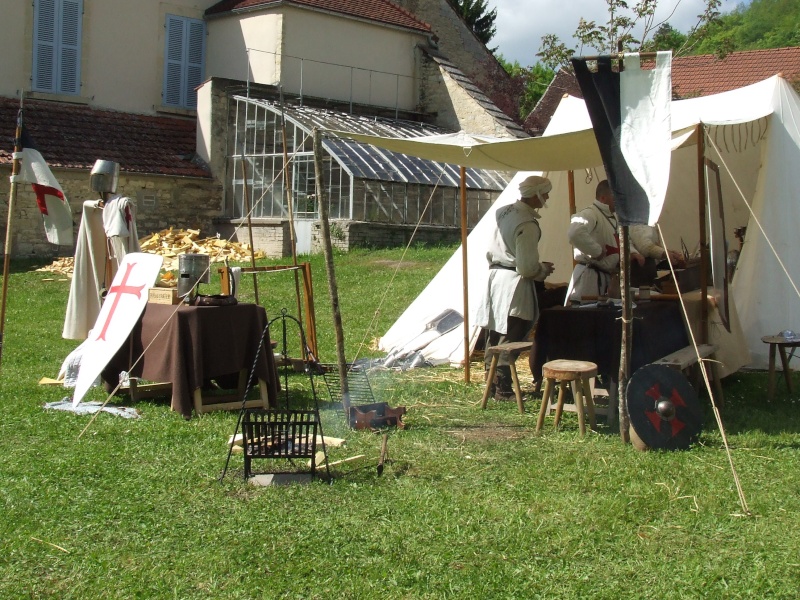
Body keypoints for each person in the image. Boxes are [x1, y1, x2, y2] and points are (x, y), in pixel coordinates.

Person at [475, 175, 555, 399]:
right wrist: (543, 270)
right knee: (511, 334)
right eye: (545, 193)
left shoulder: (505, 211)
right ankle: (503, 387)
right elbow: (527, 267)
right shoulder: (526, 223)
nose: (547, 197)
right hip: (512, 284)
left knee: (495, 334)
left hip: (496, 278)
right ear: (537, 194)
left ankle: (491, 384)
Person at [565, 179, 620, 303]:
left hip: (604, 278)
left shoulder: (611, 218)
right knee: (585, 317)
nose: (618, 200)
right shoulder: (590, 213)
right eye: (615, 196)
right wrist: (597, 252)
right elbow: (575, 233)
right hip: (589, 279)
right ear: (603, 198)